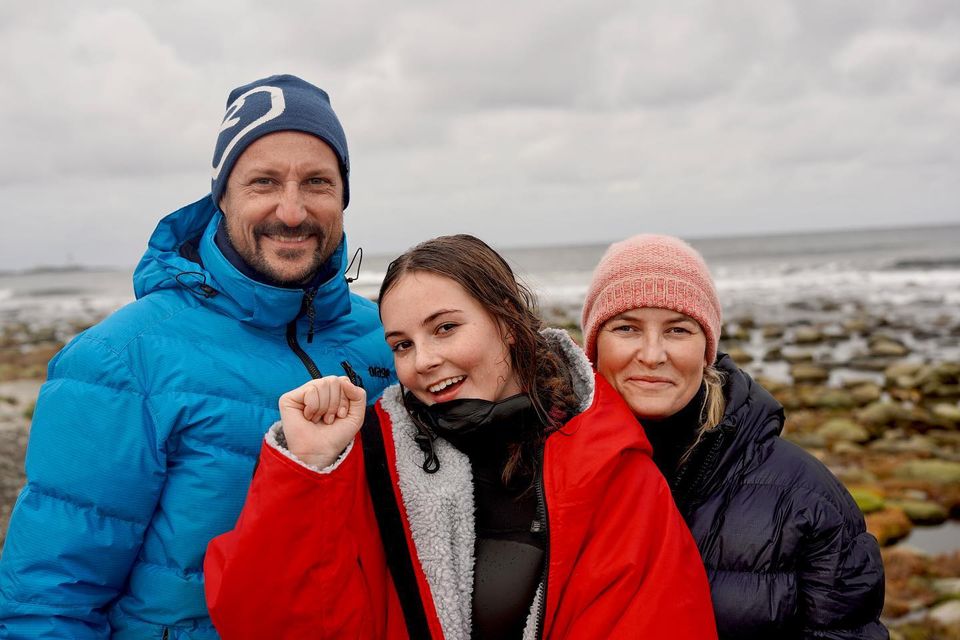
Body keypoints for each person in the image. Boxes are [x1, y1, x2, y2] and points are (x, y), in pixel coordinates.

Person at [0, 74, 395, 638]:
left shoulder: (385, 337)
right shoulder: (120, 361)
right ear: (223, 196)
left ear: (342, 197)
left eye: (317, 182)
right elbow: (49, 601)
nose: (291, 210)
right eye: (263, 182)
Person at [204, 234, 718, 639]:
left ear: (509, 324)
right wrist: (308, 467)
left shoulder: (609, 463)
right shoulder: (371, 456)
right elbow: (268, 623)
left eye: (445, 328)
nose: (424, 361)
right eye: (402, 345)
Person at [581, 234, 888, 640]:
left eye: (677, 330)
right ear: (593, 347)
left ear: (707, 347)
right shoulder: (540, 472)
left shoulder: (807, 499)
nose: (653, 355)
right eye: (626, 328)